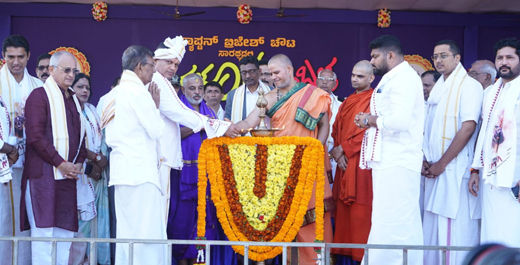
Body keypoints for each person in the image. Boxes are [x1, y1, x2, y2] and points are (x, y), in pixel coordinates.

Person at [227, 54, 334, 264]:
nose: (273, 77)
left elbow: (324, 125)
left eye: (276, 72)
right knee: (287, 218)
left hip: (309, 164)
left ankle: (316, 261)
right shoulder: (269, 98)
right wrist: (232, 128)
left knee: (313, 217)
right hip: (281, 167)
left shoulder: (313, 94)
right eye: (270, 74)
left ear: (289, 69)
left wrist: (315, 149)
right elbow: (250, 121)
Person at [354, 35, 424, 265]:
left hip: (398, 162)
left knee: (396, 225)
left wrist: (369, 120)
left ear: (390, 55)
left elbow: (399, 121)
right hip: (389, 162)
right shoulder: (394, 78)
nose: (372, 61)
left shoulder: (404, 79)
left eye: (375, 56)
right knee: (386, 222)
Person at [152, 36, 229, 225]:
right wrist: (211, 125)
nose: (172, 68)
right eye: (169, 62)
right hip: (172, 166)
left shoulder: (208, 110)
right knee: (173, 216)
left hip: (204, 171)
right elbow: (179, 119)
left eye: (176, 64)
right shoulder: (161, 87)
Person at [20, 50, 87, 265]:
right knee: (44, 239)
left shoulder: (73, 100)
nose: (70, 75)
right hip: (43, 179)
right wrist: (61, 163)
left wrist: (78, 162)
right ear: (51, 70)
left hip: (67, 179)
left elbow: (81, 137)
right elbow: (36, 136)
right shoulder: (38, 96)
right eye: (65, 70)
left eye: (73, 71)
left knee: (64, 238)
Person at [102, 45, 166, 265]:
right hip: (140, 173)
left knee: (127, 232)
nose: (154, 72)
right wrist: (155, 108)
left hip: (122, 172)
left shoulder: (111, 95)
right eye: (152, 66)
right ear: (140, 67)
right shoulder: (138, 92)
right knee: (146, 233)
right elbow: (157, 131)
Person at [422, 40, 483, 265]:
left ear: (457, 59)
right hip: (435, 170)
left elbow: (468, 127)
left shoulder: (469, 86)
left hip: (454, 170)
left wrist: (441, 164)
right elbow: (428, 128)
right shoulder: (440, 86)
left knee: (455, 230)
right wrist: (426, 160)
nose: (438, 60)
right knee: (433, 231)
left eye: (444, 55)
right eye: (436, 56)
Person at [469, 37, 520, 248]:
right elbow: (485, 133)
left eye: (510, 57)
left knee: (513, 231)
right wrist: (474, 169)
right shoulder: (491, 91)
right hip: (490, 175)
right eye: (500, 58)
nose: (504, 62)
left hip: (515, 176)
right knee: (493, 232)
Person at [0, 34, 42, 265]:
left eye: (20, 57)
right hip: (2, 163)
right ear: (3, 57)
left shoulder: (39, 86)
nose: (15, 62)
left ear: (28, 57)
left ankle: (25, 261)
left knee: (29, 216)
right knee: (4, 216)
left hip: (32, 161)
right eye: (10, 57)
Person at [169, 73, 219, 264]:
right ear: (183, 90)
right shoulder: (177, 110)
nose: (197, 92)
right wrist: (200, 124)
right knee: (181, 221)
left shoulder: (211, 113)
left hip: (207, 177)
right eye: (192, 88)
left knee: (205, 219)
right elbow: (173, 134)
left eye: (200, 88)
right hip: (182, 178)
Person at [330, 60, 374, 263]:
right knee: (342, 211)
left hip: (360, 164)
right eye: (353, 75)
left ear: (371, 78)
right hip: (343, 164)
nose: (355, 79)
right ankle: (342, 255)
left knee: (359, 211)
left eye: (361, 76)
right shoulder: (347, 101)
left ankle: (360, 257)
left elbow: (371, 133)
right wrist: (339, 154)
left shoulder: (374, 100)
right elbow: (336, 130)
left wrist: (344, 150)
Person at [70, 73, 110, 265]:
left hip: (95, 175)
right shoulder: (68, 111)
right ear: (71, 89)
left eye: (87, 87)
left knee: (95, 222)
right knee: (78, 223)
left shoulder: (93, 110)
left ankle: (92, 261)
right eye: (79, 87)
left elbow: (101, 139)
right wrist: (93, 159)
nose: (84, 90)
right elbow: (70, 143)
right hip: (77, 174)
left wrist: (101, 161)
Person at [225, 56, 271, 124]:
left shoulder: (272, 92)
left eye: (251, 71)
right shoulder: (232, 95)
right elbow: (228, 122)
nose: (247, 76)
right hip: (241, 134)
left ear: (259, 71)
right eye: (244, 72)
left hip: (266, 134)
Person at [316, 69, 341, 185]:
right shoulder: (308, 103)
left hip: (334, 158)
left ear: (334, 84)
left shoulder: (341, 105)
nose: (325, 82)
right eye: (322, 79)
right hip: (314, 155)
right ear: (316, 81)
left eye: (329, 80)